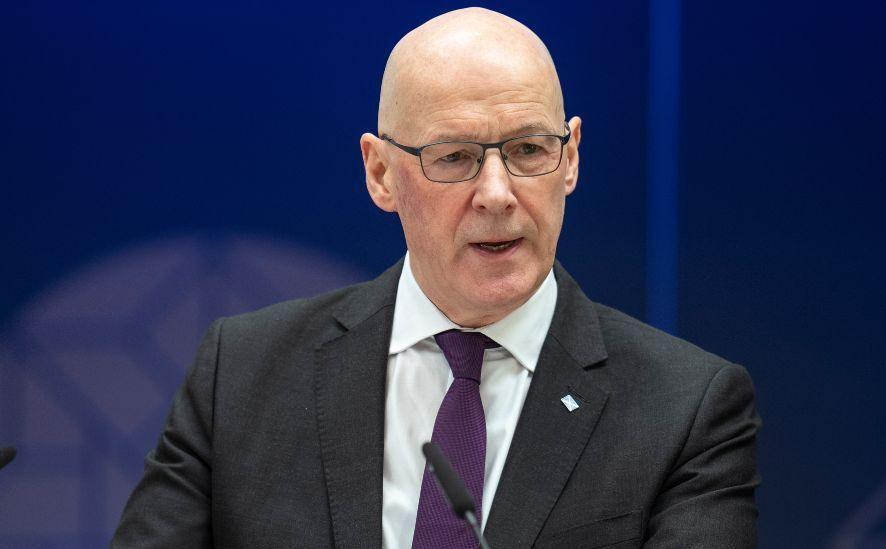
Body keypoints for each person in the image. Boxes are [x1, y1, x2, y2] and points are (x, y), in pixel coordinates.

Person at [113, 7, 760, 548]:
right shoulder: (245, 374)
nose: (498, 193)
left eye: (530, 150)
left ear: (571, 157)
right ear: (380, 173)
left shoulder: (685, 407)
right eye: (455, 157)